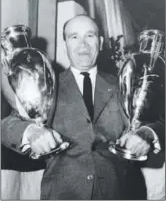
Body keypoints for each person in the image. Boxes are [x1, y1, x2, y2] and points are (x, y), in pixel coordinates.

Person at [2, 14, 164, 200]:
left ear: (100, 42)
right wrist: (31, 132)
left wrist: (147, 133)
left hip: (120, 193)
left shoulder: (125, 81)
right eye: (74, 37)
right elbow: (7, 125)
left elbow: (159, 123)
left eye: (90, 35)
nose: (83, 44)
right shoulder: (46, 84)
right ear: (66, 45)